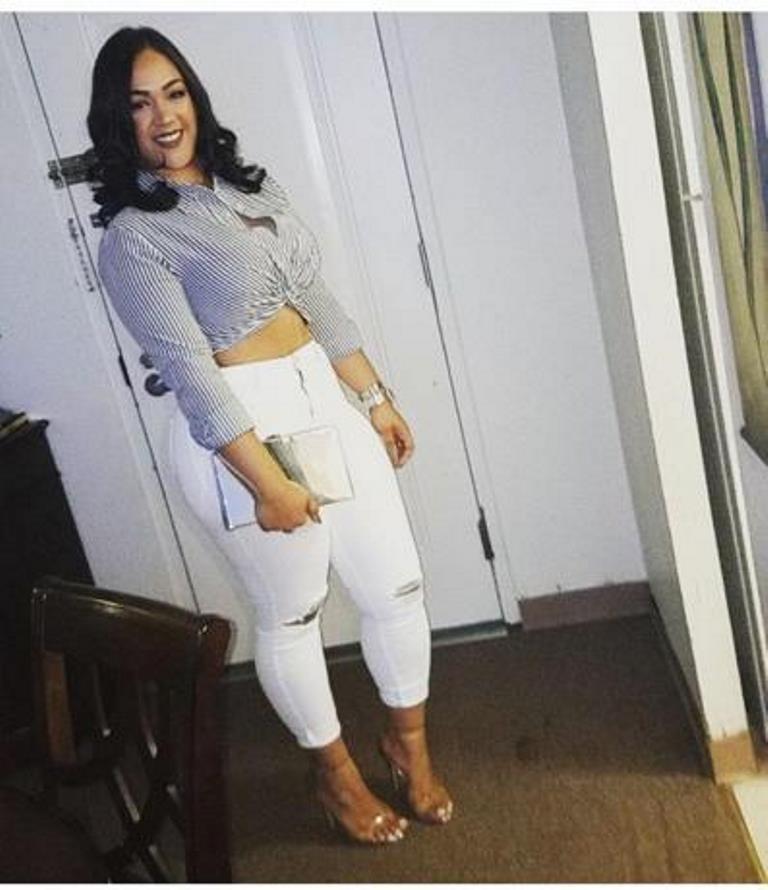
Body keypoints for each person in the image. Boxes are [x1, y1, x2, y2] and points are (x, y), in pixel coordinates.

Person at [87, 26, 453, 845]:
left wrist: (374, 396)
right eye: (140, 105)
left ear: (195, 96)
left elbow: (314, 296)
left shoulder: (247, 185)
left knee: (396, 586)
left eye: (174, 93)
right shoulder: (134, 238)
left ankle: (407, 745)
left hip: (320, 392)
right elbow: (192, 373)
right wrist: (267, 483)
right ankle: (336, 777)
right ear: (118, 122)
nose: (165, 116)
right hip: (242, 428)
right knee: (292, 612)